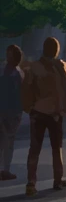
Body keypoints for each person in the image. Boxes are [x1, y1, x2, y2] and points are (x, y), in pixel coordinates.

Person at [22, 36, 66, 196]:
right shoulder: (62, 66)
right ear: (56, 50)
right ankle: (58, 179)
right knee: (57, 148)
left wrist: (29, 108)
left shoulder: (35, 67)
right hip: (55, 114)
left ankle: (31, 183)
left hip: (38, 112)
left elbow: (27, 90)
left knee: (34, 148)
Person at [1, 45, 23, 181]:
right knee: (9, 141)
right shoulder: (17, 73)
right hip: (12, 111)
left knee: (4, 141)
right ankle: (5, 170)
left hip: (6, 110)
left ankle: (4, 170)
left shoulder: (4, 71)